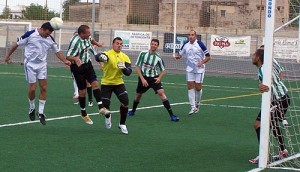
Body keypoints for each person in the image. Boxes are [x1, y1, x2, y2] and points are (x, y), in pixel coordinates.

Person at [4, 22, 71, 125]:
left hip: (42, 66)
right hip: (30, 65)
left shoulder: (50, 39)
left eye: (49, 34)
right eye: (47, 33)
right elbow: (16, 45)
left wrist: (64, 61)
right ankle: (31, 107)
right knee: (32, 89)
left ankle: (40, 112)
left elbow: (57, 52)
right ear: (42, 29)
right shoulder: (30, 34)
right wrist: (8, 56)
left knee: (43, 88)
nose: (47, 36)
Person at [249, 48, 290, 164]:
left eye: (253, 55)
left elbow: (267, 87)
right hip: (277, 100)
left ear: (258, 58)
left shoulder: (263, 69)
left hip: (279, 100)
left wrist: (263, 87)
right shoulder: (264, 68)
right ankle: (283, 150)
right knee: (266, 123)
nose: (252, 57)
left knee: (262, 124)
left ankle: (263, 155)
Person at [66, 24, 110, 125]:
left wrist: (98, 44)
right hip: (77, 67)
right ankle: (83, 112)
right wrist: (76, 58)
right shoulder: (75, 42)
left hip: (87, 64)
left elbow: (91, 39)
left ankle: (101, 107)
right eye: (88, 33)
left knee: (95, 83)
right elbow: (68, 56)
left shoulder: (87, 36)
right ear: (81, 34)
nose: (89, 34)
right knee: (82, 91)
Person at [127, 39, 179, 122]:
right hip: (143, 78)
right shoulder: (143, 53)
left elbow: (163, 70)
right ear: (150, 44)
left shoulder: (158, 57)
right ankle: (133, 111)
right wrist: (142, 79)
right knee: (138, 95)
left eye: (155, 44)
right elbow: (137, 67)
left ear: (157, 46)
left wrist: (159, 78)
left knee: (161, 93)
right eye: (152, 44)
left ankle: (172, 115)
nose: (153, 45)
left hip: (154, 78)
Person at [95, 37, 132, 134]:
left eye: (121, 44)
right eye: (117, 43)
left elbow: (129, 72)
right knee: (106, 105)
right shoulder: (108, 54)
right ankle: (108, 116)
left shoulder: (125, 57)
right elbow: (98, 56)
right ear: (113, 44)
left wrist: (124, 68)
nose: (119, 45)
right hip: (106, 83)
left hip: (119, 83)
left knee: (125, 102)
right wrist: (100, 57)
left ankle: (122, 124)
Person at [175, 30, 211, 115]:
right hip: (189, 69)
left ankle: (198, 103)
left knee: (198, 87)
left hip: (199, 69)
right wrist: (178, 57)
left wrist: (201, 62)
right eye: (189, 35)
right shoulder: (185, 45)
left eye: (192, 35)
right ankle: (192, 107)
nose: (190, 36)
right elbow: (180, 54)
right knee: (190, 86)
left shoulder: (200, 44)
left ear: (195, 36)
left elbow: (208, 57)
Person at [260, 45, 288, 126]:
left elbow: (281, 69)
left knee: (283, 101)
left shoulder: (272, 60)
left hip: (276, 87)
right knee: (269, 103)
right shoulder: (261, 64)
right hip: (268, 88)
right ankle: (272, 119)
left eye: (264, 51)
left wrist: (278, 81)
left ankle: (282, 118)